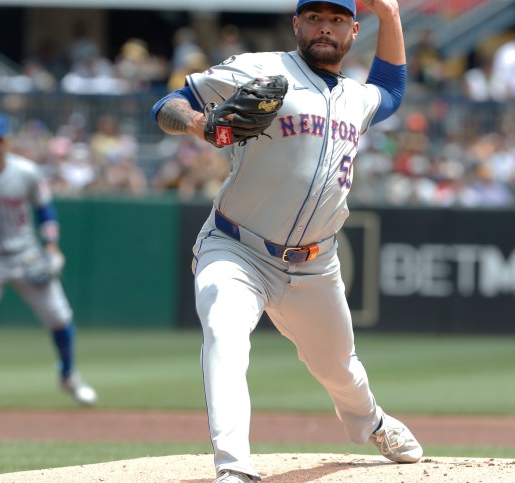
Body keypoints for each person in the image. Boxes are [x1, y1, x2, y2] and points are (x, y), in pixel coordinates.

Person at [150, 1, 421, 481]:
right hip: (236, 247)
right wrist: (200, 124)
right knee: (224, 330)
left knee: (339, 368)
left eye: (337, 20)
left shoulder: (359, 98)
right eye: (315, 17)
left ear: (353, 31)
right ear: (297, 23)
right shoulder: (260, 69)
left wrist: (392, 15)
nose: (325, 28)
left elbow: (392, 91)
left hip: (315, 265)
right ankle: (234, 468)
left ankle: (374, 422)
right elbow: (167, 104)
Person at [0, 113, 97, 413]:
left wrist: (50, 244)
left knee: (60, 317)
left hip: (26, 254)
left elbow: (45, 210)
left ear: (7, 140)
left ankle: (68, 375)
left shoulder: (26, 172)